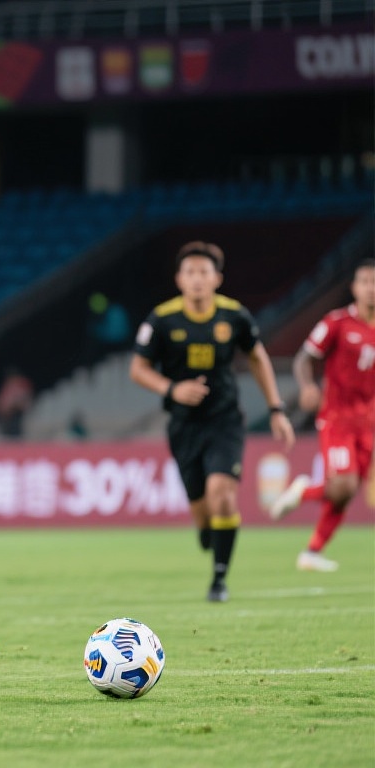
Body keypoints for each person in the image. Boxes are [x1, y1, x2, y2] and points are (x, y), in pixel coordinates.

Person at [130, 241, 295, 602]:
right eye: (190, 272)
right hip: (183, 425)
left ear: (217, 278)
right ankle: (207, 531)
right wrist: (172, 388)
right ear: (179, 279)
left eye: (204, 272)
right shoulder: (162, 319)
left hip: (225, 420)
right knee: (203, 512)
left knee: (222, 492)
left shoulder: (234, 316)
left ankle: (219, 579)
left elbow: (258, 358)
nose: (197, 279)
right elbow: (138, 368)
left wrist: (276, 409)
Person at [268, 259, 375, 571]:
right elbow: (304, 358)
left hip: (369, 423)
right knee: (343, 486)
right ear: (354, 288)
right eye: (365, 282)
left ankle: (312, 552)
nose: (371, 288)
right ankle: (304, 490)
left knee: (345, 494)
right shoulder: (337, 322)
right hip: (337, 418)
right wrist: (307, 386)